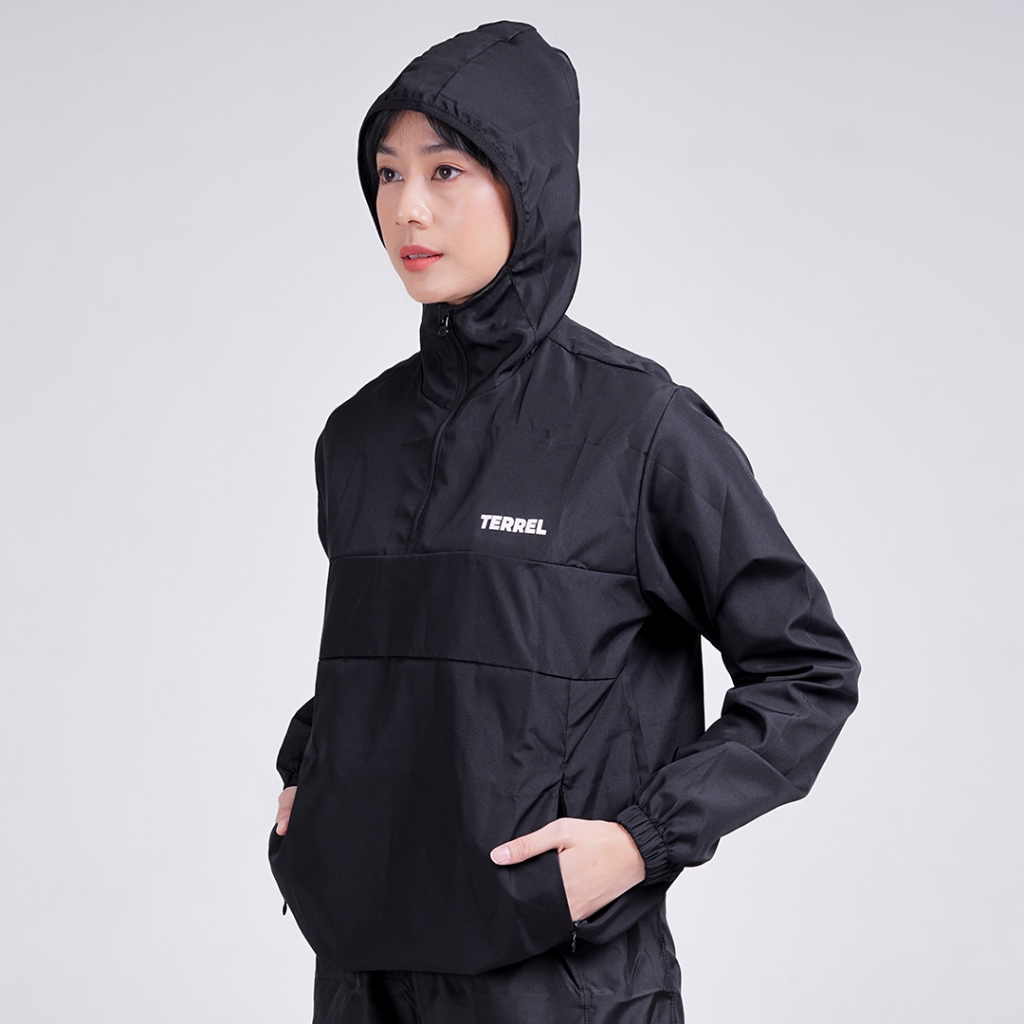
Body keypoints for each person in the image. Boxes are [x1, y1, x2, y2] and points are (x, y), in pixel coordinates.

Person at [269, 20, 859, 1024]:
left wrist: (640, 840)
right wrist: (309, 779)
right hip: (363, 977)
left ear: (529, 186)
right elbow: (390, 662)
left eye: (445, 170)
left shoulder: (640, 429)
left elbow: (808, 671)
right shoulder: (358, 437)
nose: (407, 207)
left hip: (560, 987)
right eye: (386, 173)